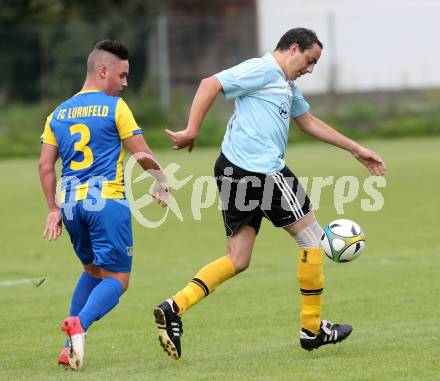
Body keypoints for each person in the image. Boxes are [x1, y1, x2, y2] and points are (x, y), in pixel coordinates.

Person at [154, 28, 386, 359]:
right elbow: (211, 84)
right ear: (293, 48)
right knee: (313, 240)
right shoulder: (264, 70)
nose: (310, 69)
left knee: (238, 259)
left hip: (231, 168)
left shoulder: (287, 87)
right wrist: (192, 129)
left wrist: (355, 149)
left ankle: (174, 306)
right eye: (310, 61)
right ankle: (312, 328)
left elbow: (307, 121)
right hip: (263, 172)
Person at [39, 39, 170, 370]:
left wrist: (53, 209)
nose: (125, 84)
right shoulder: (115, 107)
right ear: (103, 71)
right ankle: (78, 325)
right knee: (118, 279)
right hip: (106, 203)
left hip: (69, 206)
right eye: (122, 76)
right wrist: (161, 181)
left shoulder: (57, 112)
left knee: (92, 271)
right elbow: (140, 151)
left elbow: (44, 166)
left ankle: (69, 346)